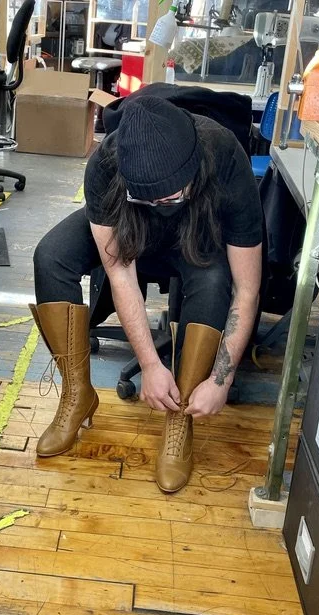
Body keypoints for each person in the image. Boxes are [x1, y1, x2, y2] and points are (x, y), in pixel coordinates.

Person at [31, 90, 263, 494]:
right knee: (51, 257)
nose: (159, 204)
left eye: (169, 197)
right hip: (130, 230)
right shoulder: (107, 163)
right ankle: (77, 394)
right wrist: (151, 365)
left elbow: (248, 289)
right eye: (146, 197)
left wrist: (221, 381)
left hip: (197, 237)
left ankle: (180, 417)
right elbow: (120, 275)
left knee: (212, 282)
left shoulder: (225, 157)